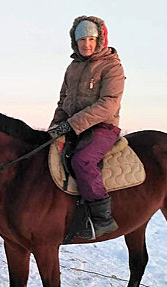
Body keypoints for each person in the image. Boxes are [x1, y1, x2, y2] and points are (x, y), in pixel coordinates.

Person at [47, 15, 125, 239]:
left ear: (100, 40)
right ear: (75, 42)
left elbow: (108, 104)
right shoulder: (72, 67)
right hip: (72, 126)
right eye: (82, 40)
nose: (86, 44)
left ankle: (103, 218)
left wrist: (72, 124)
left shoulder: (112, 66)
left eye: (91, 39)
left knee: (83, 160)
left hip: (102, 127)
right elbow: (63, 101)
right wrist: (55, 127)